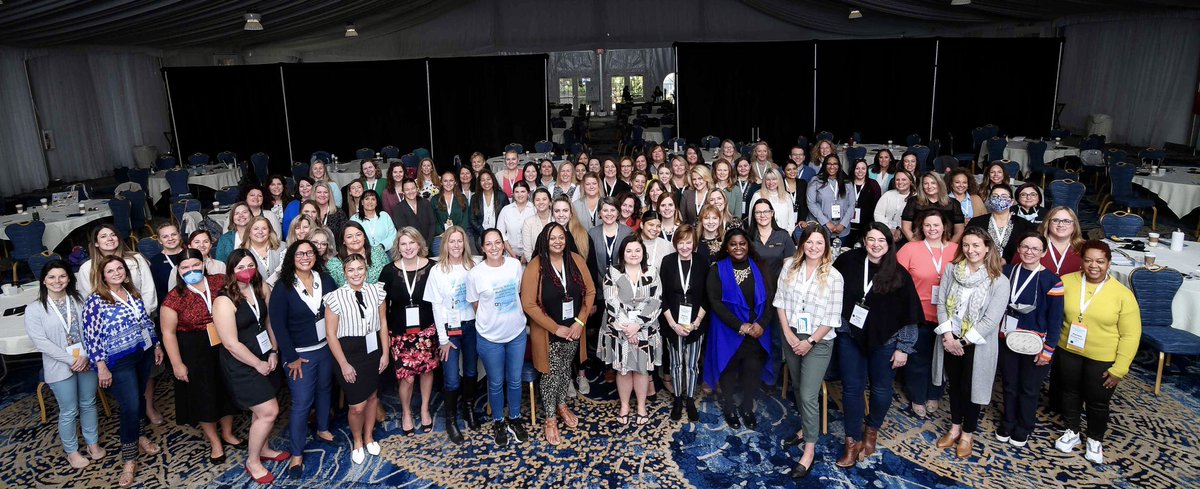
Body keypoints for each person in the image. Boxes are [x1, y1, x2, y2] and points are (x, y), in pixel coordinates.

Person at [831, 223, 922, 469]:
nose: (875, 244)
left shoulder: (899, 273)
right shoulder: (848, 260)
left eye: (881, 240)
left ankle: (871, 431)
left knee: (881, 390)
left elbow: (910, 313)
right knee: (852, 389)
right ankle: (851, 441)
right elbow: (830, 289)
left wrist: (904, 347)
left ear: (889, 243)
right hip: (850, 336)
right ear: (864, 240)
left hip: (887, 342)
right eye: (871, 239)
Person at [1053, 240, 1141, 464]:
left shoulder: (1123, 295)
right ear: (1082, 261)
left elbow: (1131, 335)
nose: (1094, 266)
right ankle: (1072, 431)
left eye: (1100, 261)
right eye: (1089, 260)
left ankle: (1094, 439)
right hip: (1068, 350)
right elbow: (1054, 316)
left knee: (1098, 401)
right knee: (1069, 393)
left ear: (1109, 263)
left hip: (1103, 358)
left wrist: (1119, 369)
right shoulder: (1067, 282)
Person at [81, 256, 163, 487]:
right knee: (130, 406)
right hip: (118, 361)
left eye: (120, 268)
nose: (116, 273)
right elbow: (91, 337)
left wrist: (156, 344)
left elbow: (146, 322)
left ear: (125, 272)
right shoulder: (95, 301)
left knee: (137, 399)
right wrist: (100, 366)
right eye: (110, 270)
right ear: (103, 275)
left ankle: (140, 436)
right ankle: (129, 459)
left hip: (142, 354)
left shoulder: (133, 294)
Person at [933, 226, 1010, 458]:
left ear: (987, 248)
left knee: (972, 389)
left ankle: (967, 434)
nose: (970, 250)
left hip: (977, 345)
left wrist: (962, 342)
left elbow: (991, 320)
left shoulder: (999, 280)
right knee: (955, 386)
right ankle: (955, 428)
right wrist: (948, 337)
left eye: (976, 245)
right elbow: (941, 304)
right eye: (966, 245)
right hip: (950, 338)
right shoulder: (952, 270)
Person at [159, 250, 242, 465]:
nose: (191, 270)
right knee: (204, 396)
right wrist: (177, 364)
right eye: (185, 267)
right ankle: (214, 441)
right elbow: (168, 333)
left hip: (224, 343)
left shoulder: (220, 282)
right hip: (194, 351)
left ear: (204, 263)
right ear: (178, 270)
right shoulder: (173, 297)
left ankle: (227, 432)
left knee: (226, 390)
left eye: (195, 264)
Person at [213, 250, 287, 484]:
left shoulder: (260, 287)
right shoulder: (224, 300)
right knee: (269, 411)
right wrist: (257, 364)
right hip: (242, 364)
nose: (247, 270)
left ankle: (263, 448)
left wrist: (274, 351)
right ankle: (252, 461)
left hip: (266, 356)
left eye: (250, 265)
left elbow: (269, 321)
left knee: (261, 412)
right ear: (231, 271)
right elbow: (230, 343)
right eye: (241, 267)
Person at [77, 223, 161, 426]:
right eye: (103, 236)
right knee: (127, 383)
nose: (109, 239)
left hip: (142, 323)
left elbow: (148, 289)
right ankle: (132, 417)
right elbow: (91, 304)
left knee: (147, 371)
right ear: (96, 243)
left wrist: (139, 314)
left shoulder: (136, 259)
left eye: (113, 234)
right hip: (112, 334)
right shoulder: (87, 268)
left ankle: (148, 407)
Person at [774, 226, 841, 478]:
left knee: (808, 393)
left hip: (819, 341)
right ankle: (805, 427)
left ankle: (809, 450)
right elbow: (780, 303)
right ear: (802, 244)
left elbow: (832, 318)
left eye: (819, 243)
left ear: (826, 246)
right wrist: (789, 335)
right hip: (791, 336)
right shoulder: (789, 266)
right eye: (809, 242)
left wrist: (810, 341)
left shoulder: (834, 277)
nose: (814, 247)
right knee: (798, 386)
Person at [26, 259, 106, 468]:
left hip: (86, 360)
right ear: (43, 280)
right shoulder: (34, 309)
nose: (57, 281)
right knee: (69, 410)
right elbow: (40, 342)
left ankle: (92, 442)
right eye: (51, 277)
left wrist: (86, 355)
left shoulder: (79, 300)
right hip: (59, 366)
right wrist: (72, 360)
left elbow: (93, 330)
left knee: (88, 403)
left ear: (69, 278)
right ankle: (72, 451)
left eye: (62, 276)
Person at [521, 223, 596, 445]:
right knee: (549, 375)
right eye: (552, 238)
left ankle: (562, 405)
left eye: (561, 237)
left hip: (573, 330)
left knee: (564, 370)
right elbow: (528, 304)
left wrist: (580, 323)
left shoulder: (576, 260)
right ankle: (550, 419)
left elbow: (590, 292)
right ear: (545, 240)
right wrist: (556, 328)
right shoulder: (536, 266)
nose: (557, 242)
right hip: (549, 332)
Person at [269, 240, 337, 475]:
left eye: (309, 253)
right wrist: (290, 357)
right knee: (301, 403)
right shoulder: (283, 287)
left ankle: (322, 429)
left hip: (327, 348)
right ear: (291, 258)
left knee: (325, 389)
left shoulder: (325, 280)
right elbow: (278, 325)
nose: (305, 257)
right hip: (300, 356)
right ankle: (296, 454)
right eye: (300, 254)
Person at [704, 229, 776, 430]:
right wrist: (740, 326)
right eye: (733, 244)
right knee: (728, 370)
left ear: (748, 245)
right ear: (726, 247)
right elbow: (715, 303)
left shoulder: (760, 267)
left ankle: (747, 407)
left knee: (752, 370)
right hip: (728, 331)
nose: (738, 247)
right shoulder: (716, 269)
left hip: (756, 331)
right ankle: (729, 407)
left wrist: (761, 324)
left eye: (742, 243)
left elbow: (770, 299)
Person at [997, 232, 1064, 447]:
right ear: (1018, 248)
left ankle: (1024, 425)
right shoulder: (1007, 272)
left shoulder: (1052, 281)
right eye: (1025, 247)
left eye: (1035, 249)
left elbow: (1056, 319)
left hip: (1037, 343)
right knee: (1009, 384)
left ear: (1043, 252)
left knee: (1029, 388)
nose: (1029, 252)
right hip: (1008, 338)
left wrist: (1049, 349)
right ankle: (1008, 420)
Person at [324, 253, 390, 464]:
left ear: (366, 270)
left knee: (372, 398)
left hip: (372, 350)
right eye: (351, 270)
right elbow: (330, 334)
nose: (356, 273)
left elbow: (383, 323)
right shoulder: (335, 297)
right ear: (344, 273)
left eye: (360, 269)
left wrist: (385, 353)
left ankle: (369, 436)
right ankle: (357, 440)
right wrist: (343, 364)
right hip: (348, 354)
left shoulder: (376, 292)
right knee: (357, 405)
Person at [468, 228, 529, 446]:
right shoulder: (475, 274)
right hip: (489, 338)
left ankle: (514, 418)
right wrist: (492, 320)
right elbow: (475, 304)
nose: (494, 247)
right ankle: (498, 421)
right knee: (495, 382)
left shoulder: (514, 266)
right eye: (489, 244)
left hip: (516, 334)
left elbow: (519, 293)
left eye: (498, 243)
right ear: (482, 248)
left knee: (514, 380)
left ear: (503, 244)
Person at [895, 210, 957, 418]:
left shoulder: (956, 251)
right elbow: (896, 280)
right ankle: (917, 396)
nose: (932, 229)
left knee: (940, 358)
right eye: (928, 225)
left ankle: (935, 393)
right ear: (921, 227)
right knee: (918, 358)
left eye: (936, 225)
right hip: (917, 314)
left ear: (944, 227)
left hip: (947, 316)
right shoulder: (910, 248)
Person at [379, 228, 438, 436]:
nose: (408, 247)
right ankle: (406, 412)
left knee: (426, 371)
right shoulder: (388, 271)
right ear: (398, 247)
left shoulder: (433, 267)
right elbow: (381, 305)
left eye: (412, 243)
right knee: (407, 378)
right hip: (400, 333)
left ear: (419, 244)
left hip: (427, 331)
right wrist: (384, 331)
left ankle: (424, 409)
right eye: (403, 244)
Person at [425, 226, 480, 444]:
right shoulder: (437, 271)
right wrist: (443, 339)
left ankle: (468, 408)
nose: (456, 245)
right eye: (452, 241)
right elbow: (437, 308)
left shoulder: (472, 267)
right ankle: (450, 419)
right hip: (450, 331)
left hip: (472, 326)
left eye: (459, 241)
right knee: (451, 378)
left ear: (464, 244)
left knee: (471, 371)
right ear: (445, 244)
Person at [600, 235, 663, 426]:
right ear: (622, 254)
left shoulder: (652, 272)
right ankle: (625, 406)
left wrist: (638, 325)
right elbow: (611, 302)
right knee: (624, 370)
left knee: (642, 370)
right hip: (620, 329)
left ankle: (642, 406)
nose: (633, 254)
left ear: (643, 253)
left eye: (637, 250)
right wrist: (628, 329)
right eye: (629, 250)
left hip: (645, 328)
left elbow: (656, 300)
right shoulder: (613, 273)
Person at [659, 225, 708, 422]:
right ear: (676, 243)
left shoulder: (702, 262)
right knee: (677, 363)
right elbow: (662, 296)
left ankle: (690, 399)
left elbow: (707, 296)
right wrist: (673, 324)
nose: (685, 246)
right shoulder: (668, 262)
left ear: (694, 243)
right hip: (673, 321)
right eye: (681, 242)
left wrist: (696, 323)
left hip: (695, 322)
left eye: (689, 242)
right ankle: (678, 399)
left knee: (692, 364)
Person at [967, 184, 1031, 261]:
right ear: (990, 201)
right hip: (981, 266)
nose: (999, 199)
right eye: (994, 196)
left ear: (1011, 201)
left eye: (1004, 196)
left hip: (1013, 268)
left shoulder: (1024, 225)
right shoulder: (976, 222)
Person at [901, 172, 965, 243]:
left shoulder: (953, 203)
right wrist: (918, 246)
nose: (929, 186)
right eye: (926, 184)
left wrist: (949, 248)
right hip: (918, 243)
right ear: (922, 186)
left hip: (946, 244)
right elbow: (905, 228)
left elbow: (959, 231)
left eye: (933, 183)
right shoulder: (913, 201)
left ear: (940, 184)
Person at [587, 197, 634, 292]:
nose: (609, 214)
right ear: (599, 213)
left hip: (624, 288)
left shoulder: (628, 232)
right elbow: (590, 265)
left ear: (618, 212)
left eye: (613, 210)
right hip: (599, 289)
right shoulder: (592, 233)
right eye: (605, 210)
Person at [807, 155, 856, 240]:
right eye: (829, 164)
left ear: (839, 166)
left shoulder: (847, 182)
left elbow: (852, 205)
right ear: (824, 165)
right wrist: (827, 223)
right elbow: (811, 203)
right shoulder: (816, 181)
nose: (832, 167)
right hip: (821, 228)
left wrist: (843, 224)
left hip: (842, 230)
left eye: (835, 164)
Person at [326, 222, 388, 287]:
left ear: (364, 236)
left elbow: (389, 276)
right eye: (349, 237)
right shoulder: (333, 263)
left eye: (358, 235)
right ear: (343, 241)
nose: (355, 239)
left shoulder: (378, 252)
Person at [748, 199, 797, 272]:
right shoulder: (746, 237)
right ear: (754, 215)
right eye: (758, 212)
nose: (762, 215)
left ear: (772, 213)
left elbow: (790, 265)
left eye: (766, 212)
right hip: (754, 282)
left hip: (778, 282)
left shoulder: (783, 235)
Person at [391, 178, 438, 248]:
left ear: (417, 189)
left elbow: (432, 224)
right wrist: (417, 246)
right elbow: (403, 231)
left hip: (429, 244)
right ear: (403, 191)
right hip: (410, 247)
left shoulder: (425, 203)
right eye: (407, 189)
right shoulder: (398, 209)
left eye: (413, 188)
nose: (410, 192)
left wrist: (427, 244)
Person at [1038, 206, 1084, 276]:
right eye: (1055, 220)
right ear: (1048, 223)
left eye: (1067, 221)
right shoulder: (1033, 245)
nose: (1061, 225)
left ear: (1074, 225)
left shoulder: (1085, 248)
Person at [147, 221, 186, 303]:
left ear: (179, 235)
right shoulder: (154, 262)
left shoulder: (191, 255)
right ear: (160, 240)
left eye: (174, 234)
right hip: (169, 304)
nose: (170, 238)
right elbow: (156, 291)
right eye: (165, 236)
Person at [497, 181, 536, 263]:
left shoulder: (534, 209)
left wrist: (527, 254)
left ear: (528, 193)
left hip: (531, 254)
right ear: (513, 194)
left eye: (523, 191)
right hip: (509, 254)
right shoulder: (506, 210)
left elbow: (537, 233)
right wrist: (511, 252)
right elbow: (500, 233)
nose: (520, 195)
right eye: (517, 192)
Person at [240, 216, 285, 285]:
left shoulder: (283, 247)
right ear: (249, 233)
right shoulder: (241, 253)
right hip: (256, 292)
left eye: (264, 228)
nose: (260, 232)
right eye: (256, 229)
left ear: (269, 232)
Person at [470, 169, 509, 246]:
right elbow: (472, 219)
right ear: (479, 183)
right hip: (480, 235)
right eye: (483, 180)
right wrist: (483, 232)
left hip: (500, 234)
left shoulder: (502, 196)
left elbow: (507, 217)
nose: (486, 182)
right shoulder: (475, 197)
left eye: (488, 179)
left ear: (493, 180)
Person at [874, 170, 915, 242]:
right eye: (897, 180)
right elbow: (878, 214)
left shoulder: (916, 197)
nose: (900, 182)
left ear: (911, 182)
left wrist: (900, 230)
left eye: (904, 179)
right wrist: (888, 229)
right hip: (885, 232)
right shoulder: (888, 194)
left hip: (907, 234)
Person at [847, 159, 882, 244]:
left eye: (863, 168)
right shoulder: (846, 183)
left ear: (867, 170)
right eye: (857, 168)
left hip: (866, 226)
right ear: (853, 169)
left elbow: (877, 206)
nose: (860, 171)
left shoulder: (874, 185)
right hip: (847, 226)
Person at [752, 169, 797, 233]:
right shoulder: (757, 196)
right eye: (768, 180)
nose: (771, 182)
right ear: (764, 181)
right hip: (763, 236)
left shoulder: (786, 196)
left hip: (784, 236)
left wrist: (788, 235)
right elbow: (752, 219)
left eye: (774, 179)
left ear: (779, 180)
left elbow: (791, 220)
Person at [434, 171, 470, 248]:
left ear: (455, 182)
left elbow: (465, 218)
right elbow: (433, 219)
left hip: (459, 235)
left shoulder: (462, 198)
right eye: (445, 181)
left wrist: (457, 233)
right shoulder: (435, 199)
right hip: (441, 236)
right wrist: (442, 233)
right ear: (441, 183)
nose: (448, 183)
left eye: (451, 180)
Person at [521, 188, 554, 262]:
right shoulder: (528, 222)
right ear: (533, 203)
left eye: (544, 199)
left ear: (550, 202)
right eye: (537, 200)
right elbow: (527, 251)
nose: (541, 202)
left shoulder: (557, 219)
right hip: (536, 265)